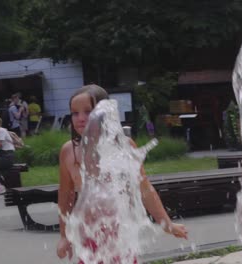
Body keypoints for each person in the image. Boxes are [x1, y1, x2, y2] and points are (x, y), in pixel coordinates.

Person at [56, 84, 188, 262]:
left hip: (119, 234)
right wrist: (64, 236)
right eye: (75, 113)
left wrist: (166, 222)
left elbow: (144, 188)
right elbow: (65, 196)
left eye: (88, 111)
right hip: (89, 234)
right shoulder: (69, 152)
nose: (80, 118)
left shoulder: (123, 146)